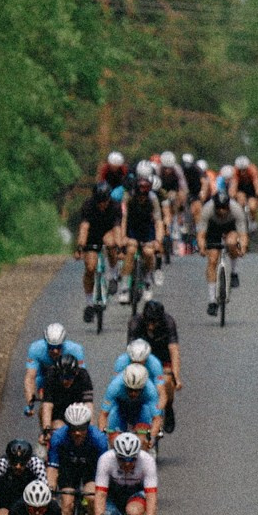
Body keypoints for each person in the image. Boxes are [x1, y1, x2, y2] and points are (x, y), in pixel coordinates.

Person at [45, 402, 108, 515]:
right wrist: (51, 488)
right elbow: (52, 468)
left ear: (88, 425)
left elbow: (104, 472)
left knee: (91, 497)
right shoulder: (58, 437)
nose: (77, 433)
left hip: (91, 470)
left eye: (81, 428)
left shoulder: (99, 439)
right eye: (73, 428)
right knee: (67, 504)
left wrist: (100, 493)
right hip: (68, 469)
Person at [25, 323, 94, 438]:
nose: (55, 351)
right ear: (46, 344)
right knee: (45, 404)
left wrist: (90, 430)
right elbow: (30, 378)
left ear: (63, 343)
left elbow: (81, 379)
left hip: (70, 379)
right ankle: (47, 436)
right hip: (46, 378)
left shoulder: (75, 350)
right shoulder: (36, 349)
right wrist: (30, 403)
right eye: (51, 347)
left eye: (58, 347)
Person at [128, 301, 182, 438]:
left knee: (168, 381)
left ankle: (168, 407)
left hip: (163, 356)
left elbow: (174, 350)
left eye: (155, 322)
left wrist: (176, 377)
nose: (151, 326)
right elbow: (130, 351)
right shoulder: (135, 323)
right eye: (149, 322)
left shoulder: (169, 322)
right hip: (143, 356)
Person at [93, 430, 159, 515]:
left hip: (135, 494)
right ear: (116, 455)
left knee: (134, 512)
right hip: (113, 495)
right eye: (122, 459)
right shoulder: (106, 459)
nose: (127, 463)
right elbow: (100, 494)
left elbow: (151, 495)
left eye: (132, 459)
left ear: (137, 455)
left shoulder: (147, 460)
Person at [198, 182, 247, 316]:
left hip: (230, 227)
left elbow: (243, 235)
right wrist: (202, 247)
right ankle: (212, 301)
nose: (222, 211)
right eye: (219, 208)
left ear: (228, 206)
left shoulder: (236, 209)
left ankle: (234, 272)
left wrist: (242, 248)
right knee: (212, 260)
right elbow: (201, 234)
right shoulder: (207, 209)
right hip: (213, 229)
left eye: (224, 208)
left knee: (232, 243)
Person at [73, 181, 123, 310]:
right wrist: (80, 247)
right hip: (92, 235)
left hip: (108, 232)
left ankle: (113, 274)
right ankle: (89, 302)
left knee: (110, 243)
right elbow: (84, 228)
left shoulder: (115, 206)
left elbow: (117, 229)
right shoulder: (88, 206)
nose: (102, 204)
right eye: (99, 201)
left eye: (104, 201)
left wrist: (119, 247)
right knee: (90, 268)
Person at [118, 166, 162, 291]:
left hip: (147, 228)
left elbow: (158, 221)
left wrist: (158, 240)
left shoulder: (153, 198)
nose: (142, 195)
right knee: (131, 250)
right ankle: (124, 285)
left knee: (148, 252)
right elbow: (123, 218)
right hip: (132, 227)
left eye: (145, 191)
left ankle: (147, 279)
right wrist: (123, 237)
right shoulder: (128, 197)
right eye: (140, 190)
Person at [101, 361, 161, 452]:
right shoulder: (115, 386)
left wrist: (152, 438)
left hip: (141, 409)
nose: (133, 393)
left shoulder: (150, 390)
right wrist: (103, 435)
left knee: (141, 443)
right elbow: (104, 414)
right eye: (130, 389)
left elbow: (156, 418)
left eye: (137, 390)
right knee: (114, 443)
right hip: (120, 408)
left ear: (143, 387)